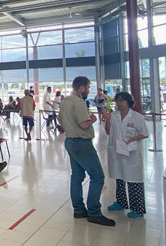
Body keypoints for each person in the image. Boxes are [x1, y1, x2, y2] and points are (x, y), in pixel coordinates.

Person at [59, 76, 115, 226]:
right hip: (82, 143)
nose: (89, 91)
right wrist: (93, 120)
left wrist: (70, 128)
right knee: (97, 176)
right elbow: (84, 124)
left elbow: (60, 121)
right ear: (82, 88)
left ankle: (78, 210)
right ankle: (94, 212)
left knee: (77, 176)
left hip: (70, 141)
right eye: (88, 88)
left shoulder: (65, 101)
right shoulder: (78, 103)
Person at [103, 92, 149, 218]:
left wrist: (133, 138)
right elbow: (108, 132)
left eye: (122, 101)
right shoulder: (114, 115)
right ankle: (121, 202)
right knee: (119, 177)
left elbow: (145, 134)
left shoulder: (136, 117)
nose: (119, 103)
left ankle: (137, 208)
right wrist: (107, 120)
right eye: (117, 101)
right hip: (117, 152)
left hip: (131, 152)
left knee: (134, 179)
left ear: (129, 102)